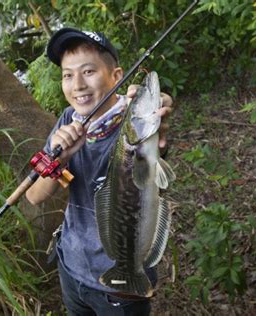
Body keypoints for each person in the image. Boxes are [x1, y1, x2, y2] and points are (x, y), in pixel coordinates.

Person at [26, 28, 173, 316]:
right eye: (67, 75)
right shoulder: (69, 120)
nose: (77, 84)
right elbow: (33, 196)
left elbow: (154, 154)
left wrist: (159, 125)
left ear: (116, 76)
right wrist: (61, 159)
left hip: (118, 287)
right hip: (71, 268)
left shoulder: (134, 128)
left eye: (89, 71)